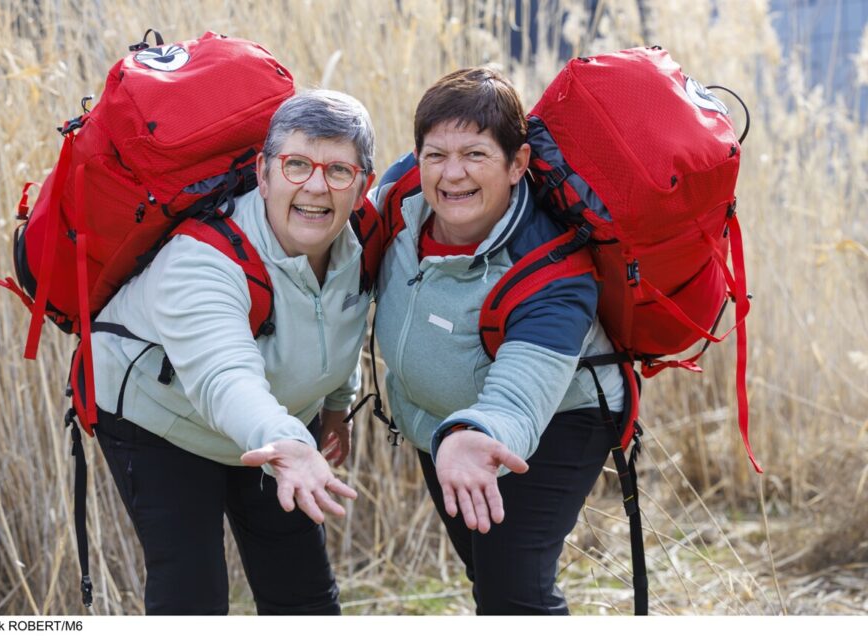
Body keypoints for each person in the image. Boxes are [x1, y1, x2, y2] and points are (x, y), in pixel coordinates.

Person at [90, 90, 376, 615]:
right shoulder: (203, 260)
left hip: (278, 427)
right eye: (296, 165)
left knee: (303, 594)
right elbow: (225, 379)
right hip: (163, 421)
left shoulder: (361, 240)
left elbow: (336, 324)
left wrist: (338, 404)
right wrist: (290, 444)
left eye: (338, 170)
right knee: (193, 595)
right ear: (263, 176)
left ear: (363, 187)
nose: (315, 185)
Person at [372, 67, 626, 614]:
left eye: (475, 155)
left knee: (515, 594)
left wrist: (471, 432)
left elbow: (519, 398)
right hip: (437, 426)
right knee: (487, 575)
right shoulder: (397, 202)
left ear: (518, 165)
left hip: (555, 421)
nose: (452, 174)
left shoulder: (551, 270)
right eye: (435, 155)